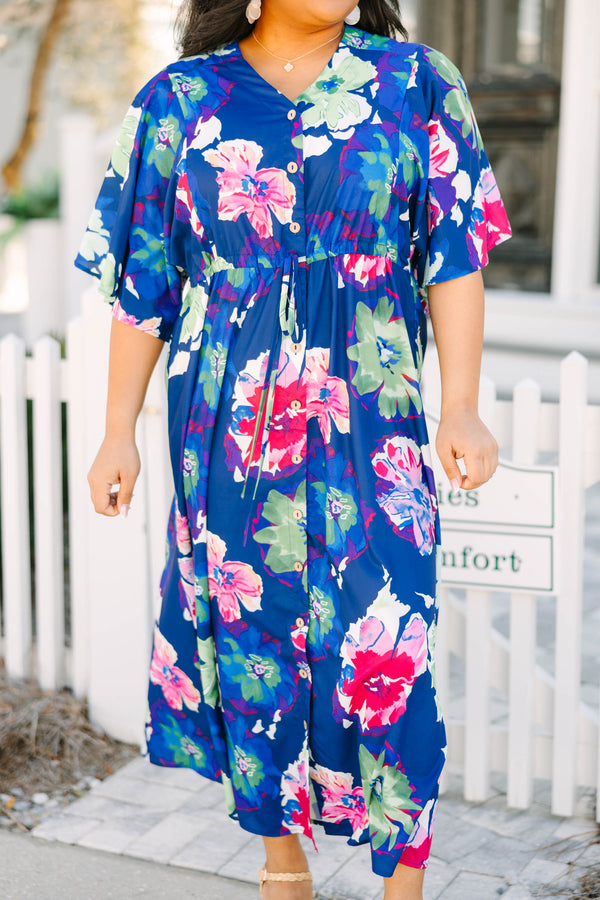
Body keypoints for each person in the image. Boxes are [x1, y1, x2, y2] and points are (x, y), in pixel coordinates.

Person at [74, 1, 511, 897]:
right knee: (251, 636)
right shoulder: (180, 100)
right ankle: (282, 859)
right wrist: (117, 428)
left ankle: (403, 878)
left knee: (388, 638)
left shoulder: (417, 81)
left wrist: (460, 404)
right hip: (225, 422)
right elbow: (144, 280)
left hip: (373, 409)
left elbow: (455, 255)